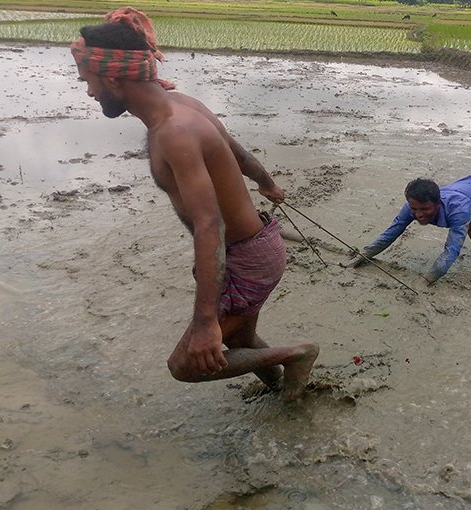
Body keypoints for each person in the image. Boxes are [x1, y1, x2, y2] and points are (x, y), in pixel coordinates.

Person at [70, 8, 318, 401]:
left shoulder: (174, 132)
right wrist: (266, 183)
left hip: (244, 259)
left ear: (113, 77)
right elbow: (238, 154)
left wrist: (204, 322)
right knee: (244, 337)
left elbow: (210, 226)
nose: (89, 92)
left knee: (185, 364)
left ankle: (298, 355)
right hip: (258, 245)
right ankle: (284, 393)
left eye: (88, 81)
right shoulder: (183, 104)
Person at [344, 173, 471, 285]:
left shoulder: (458, 210)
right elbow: (391, 232)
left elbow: (452, 249)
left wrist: (426, 280)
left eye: (425, 209)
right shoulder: (412, 207)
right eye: (414, 209)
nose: (418, 215)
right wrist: (362, 256)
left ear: (438, 202)